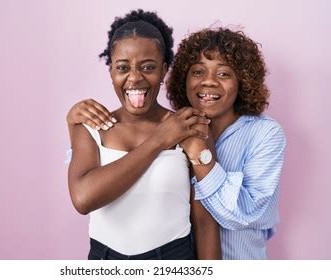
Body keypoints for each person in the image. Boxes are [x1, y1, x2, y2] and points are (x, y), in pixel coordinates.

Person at [67, 27, 286, 259]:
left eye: (223, 74)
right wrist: (73, 125)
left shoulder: (262, 134)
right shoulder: (178, 127)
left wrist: (200, 158)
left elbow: (229, 215)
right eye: (198, 71)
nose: (208, 82)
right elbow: (84, 190)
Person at [67, 9, 221, 260]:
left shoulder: (188, 127)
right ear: (111, 72)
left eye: (148, 67)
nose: (135, 78)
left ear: (163, 70)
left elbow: (204, 221)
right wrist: (160, 140)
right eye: (123, 67)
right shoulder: (89, 126)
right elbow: (83, 199)